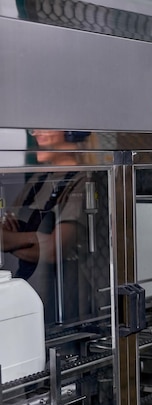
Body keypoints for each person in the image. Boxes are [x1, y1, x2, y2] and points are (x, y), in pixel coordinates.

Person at [1, 129, 90, 325]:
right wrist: (36, 239)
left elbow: (53, 250)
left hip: (61, 302)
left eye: (44, 127)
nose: (36, 134)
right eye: (34, 129)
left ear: (70, 132)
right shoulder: (38, 179)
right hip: (25, 294)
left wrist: (12, 241)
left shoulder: (84, 180)